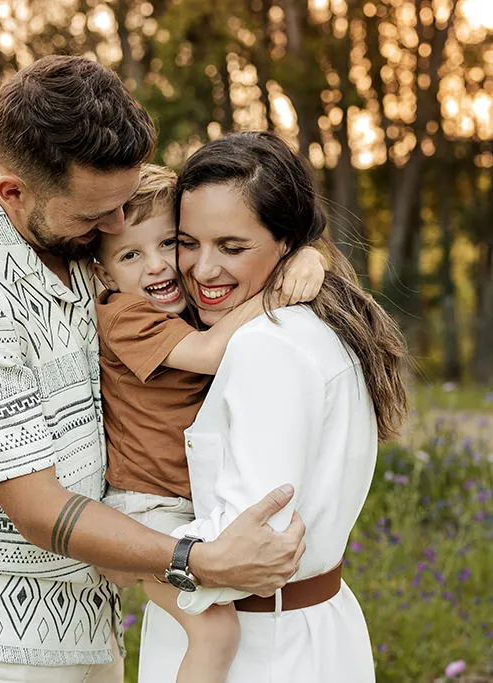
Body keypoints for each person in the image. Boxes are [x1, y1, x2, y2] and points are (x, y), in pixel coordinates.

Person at [0, 56, 306, 683]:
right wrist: (201, 560)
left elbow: (231, 233)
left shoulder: (80, 246)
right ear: (13, 192)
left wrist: (307, 255)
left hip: (91, 630)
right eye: (95, 216)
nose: (114, 228)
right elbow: (39, 509)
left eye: (122, 205)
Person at [138, 131, 408, 683]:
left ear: (287, 243)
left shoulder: (266, 347)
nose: (202, 269)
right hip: (308, 633)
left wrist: (114, 546)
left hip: (255, 651)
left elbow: (250, 551)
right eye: (187, 242)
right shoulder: (315, 325)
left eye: (232, 248)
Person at [92, 164, 327, 683]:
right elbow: (208, 353)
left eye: (170, 244)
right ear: (103, 274)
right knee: (215, 632)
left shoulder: (181, 307)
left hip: (186, 504)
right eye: (131, 255)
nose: (159, 267)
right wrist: (279, 291)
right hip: (148, 511)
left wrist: (307, 254)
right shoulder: (124, 315)